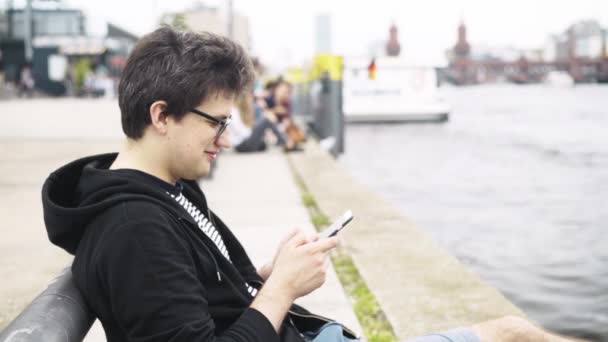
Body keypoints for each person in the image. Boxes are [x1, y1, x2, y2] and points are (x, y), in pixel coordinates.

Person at [42, 27, 572, 342]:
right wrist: (279, 291)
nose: (225, 139)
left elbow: (198, 295)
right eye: (217, 122)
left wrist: (261, 274)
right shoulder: (134, 226)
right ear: (162, 115)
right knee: (511, 332)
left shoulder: (160, 191)